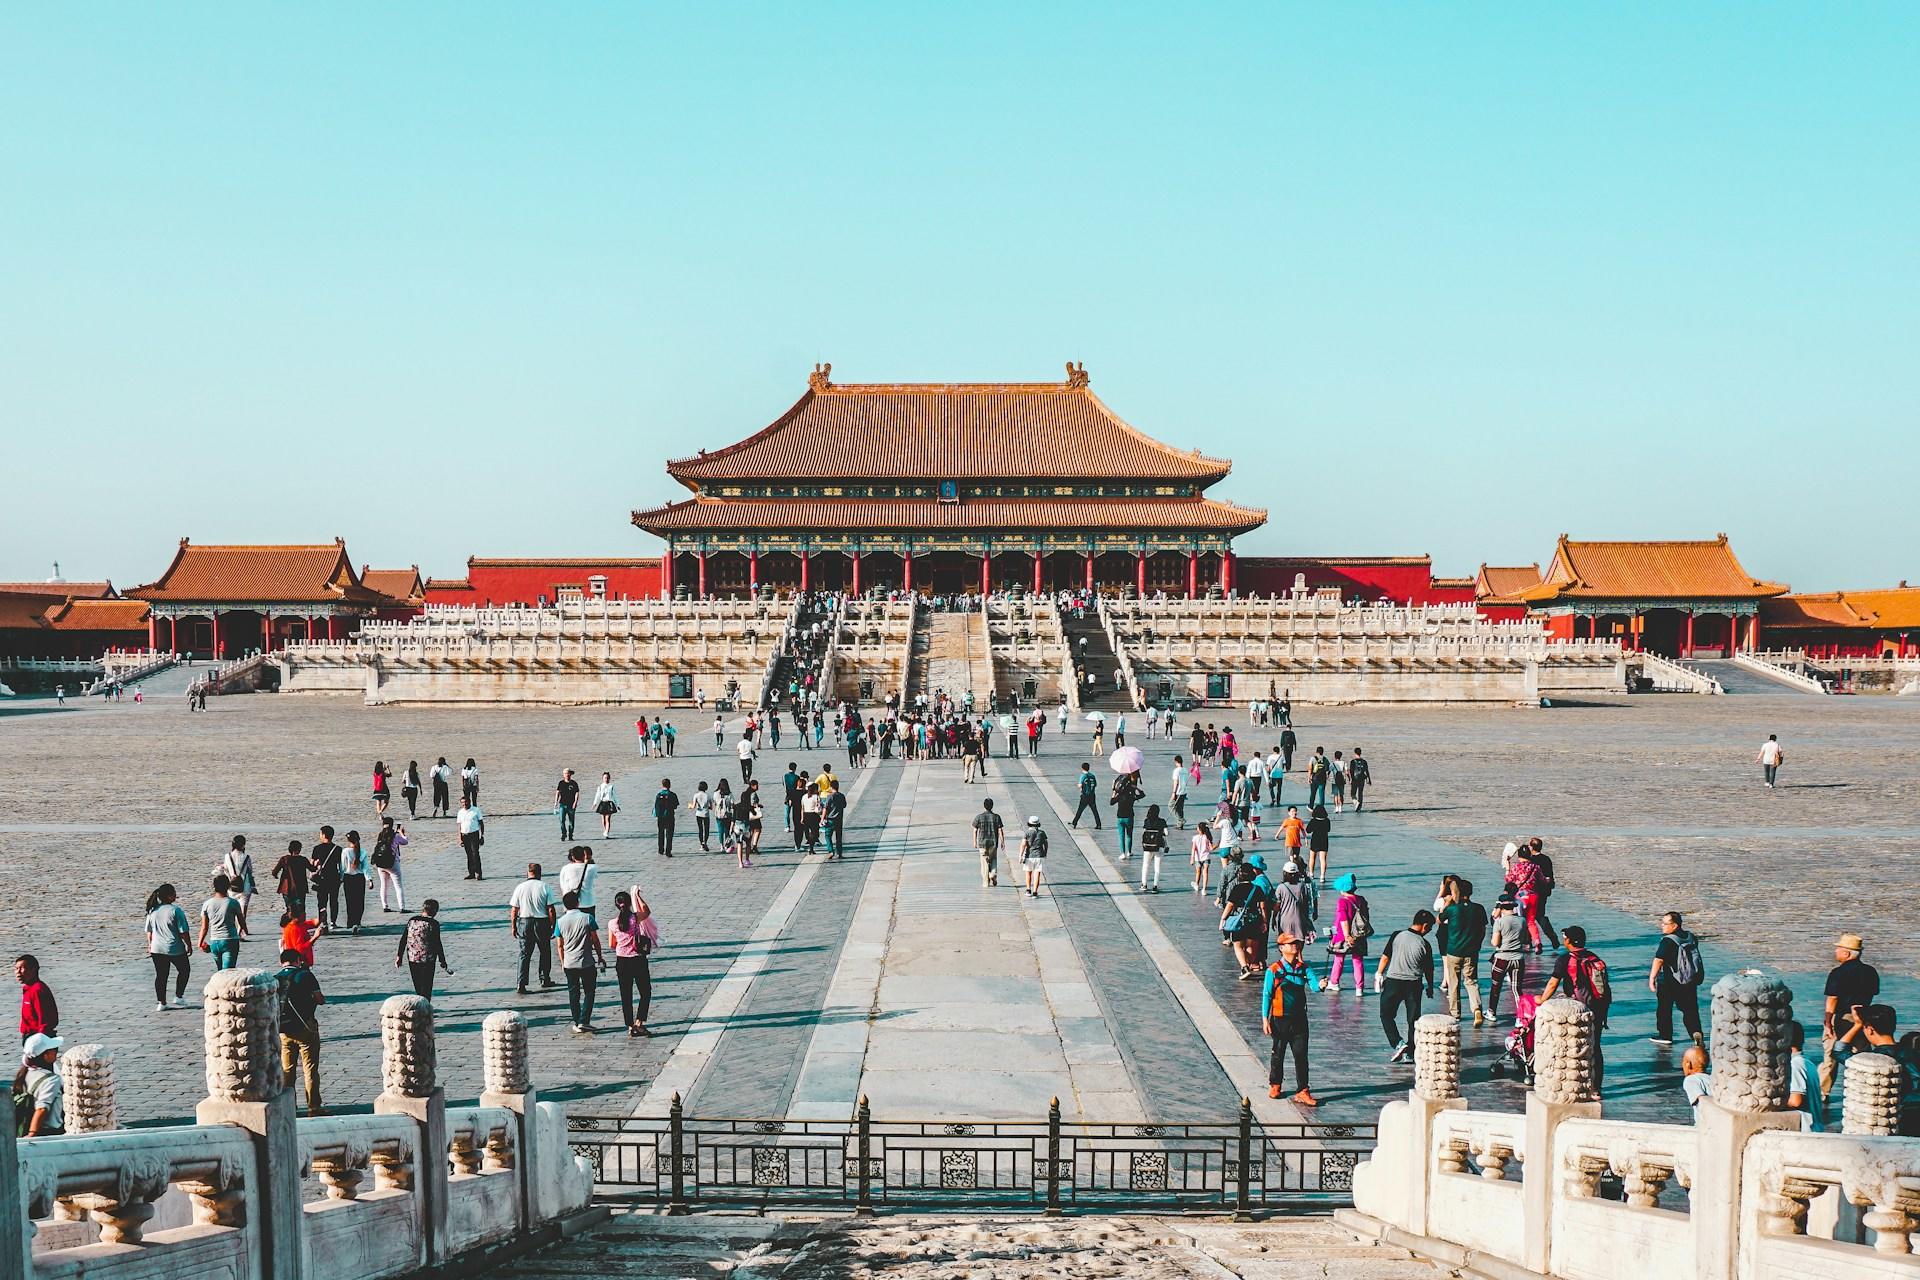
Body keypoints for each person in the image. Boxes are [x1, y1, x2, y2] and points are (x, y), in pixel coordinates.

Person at [1540, 925, 1612, 1094]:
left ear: (1569, 941)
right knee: (1595, 1047)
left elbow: (1552, 983)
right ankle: (1596, 1088)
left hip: (1577, 1011)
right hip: (1598, 1008)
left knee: (1574, 1046)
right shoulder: (1594, 957)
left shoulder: (1565, 959)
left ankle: (1573, 1083)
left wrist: (1542, 999)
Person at [1819, 932, 1880, 1103]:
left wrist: (1828, 1021)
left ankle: (1823, 1092)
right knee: (1861, 1054)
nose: (1836, 952)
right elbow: (1872, 994)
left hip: (1842, 1018)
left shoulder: (1838, 973)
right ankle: (1863, 1089)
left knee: (1831, 1056)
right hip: (1863, 1017)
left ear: (1846, 953)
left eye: (1838, 949)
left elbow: (1832, 998)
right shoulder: (1870, 972)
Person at [1374, 910, 1436, 1062]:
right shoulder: (1425, 944)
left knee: (1386, 1015)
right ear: (1425, 926)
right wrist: (1430, 986)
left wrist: (1379, 974)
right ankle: (1410, 1053)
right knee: (1413, 1020)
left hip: (1393, 982)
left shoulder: (1397, 935)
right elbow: (1429, 969)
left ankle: (1398, 1043)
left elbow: (1385, 957)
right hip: (1414, 985)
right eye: (1430, 928)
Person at [1263, 933, 1318, 1105]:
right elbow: (1267, 995)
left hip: (1299, 1019)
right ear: (1281, 948)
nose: (1294, 946)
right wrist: (1265, 1019)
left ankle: (1303, 1090)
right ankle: (1275, 1084)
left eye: (1296, 943)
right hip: (1279, 1019)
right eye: (1290, 943)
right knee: (1278, 1053)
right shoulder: (1273, 970)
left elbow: (1315, 987)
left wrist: (1322, 985)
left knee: (1301, 1055)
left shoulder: (1304, 968)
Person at [274, 948, 325, 1116]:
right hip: (305, 1027)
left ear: (281, 962)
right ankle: (313, 1107)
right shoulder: (305, 975)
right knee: (310, 1068)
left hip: (284, 1031)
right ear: (298, 960)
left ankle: (290, 1107)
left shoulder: (276, 979)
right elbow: (320, 999)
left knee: (287, 1070)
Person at [1649, 911, 1707, 1047]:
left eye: (1665, 923)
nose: (1662, 926)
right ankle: (1696, 1032)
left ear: (1674, 925)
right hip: (1689, 980)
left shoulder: (1668, 941)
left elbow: (1658, 960)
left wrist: (1652, 978)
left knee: (1664, 1008)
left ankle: (1665, 1035)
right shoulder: (1690, 937)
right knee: (1690, 1010)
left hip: (1671, 980)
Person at [1438, 878, 1488, 1025]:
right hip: (1471, 950)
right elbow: (1483, 929)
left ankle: (1455, 1013)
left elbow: (1439, 920)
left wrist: (1448, 902)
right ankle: (1477, 1008)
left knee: (1454, 983)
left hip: (1454, 950)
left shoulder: (1453, 909)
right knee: (1471, 982)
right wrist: (1477, 944)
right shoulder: (1478, 908)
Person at [607, 889, 654, 1037]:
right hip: (638, 959)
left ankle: (629, 1025)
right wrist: (638, 896)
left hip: (622, 961)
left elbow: (611, 944)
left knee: (625, 995)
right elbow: (647, 911)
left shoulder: (612, 923)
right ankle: (639, 1021)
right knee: (645, 992)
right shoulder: (635, 917)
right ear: (629, 904)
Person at [556, 890, 604, 1034]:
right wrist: (600, 956)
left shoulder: (560, 922)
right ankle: (584, 1020)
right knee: (589, 992)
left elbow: (559, 944)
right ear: (578, 903)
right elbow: (595, 939)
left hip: (569, 963)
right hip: (586, 961)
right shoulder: (587, 918)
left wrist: (562, 961)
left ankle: (577, 1021)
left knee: (573, 993)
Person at [509, 863, 559, 994]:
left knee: (524, 954)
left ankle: (521, 983)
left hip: (525, 922)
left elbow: (514, 910)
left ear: (528, 872)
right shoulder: (545, 887)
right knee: (544, 951)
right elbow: (551, 909)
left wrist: (513, 926)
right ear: (539, 873)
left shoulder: (520, 887)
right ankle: (544, 978)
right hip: (542, 922)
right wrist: (554, 925)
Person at [144, 884, 193, 1010]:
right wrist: (189, 945)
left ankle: (162, 1002)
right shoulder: (175, 911)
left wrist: (150, 945)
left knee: (161, 975)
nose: (176, 895)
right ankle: (178, 996)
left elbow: (149, 932)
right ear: (169, 896)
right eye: (174, 893)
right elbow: (183, 932)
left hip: (157, 948)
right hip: (174, 947)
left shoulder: (152, 911)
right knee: (184, 970)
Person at [1322, 874, 1371, 994]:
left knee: (1339, 959)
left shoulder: (1342, 901)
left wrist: (1347, 935)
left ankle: (1334, 982)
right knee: (1358, 960)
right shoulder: (1361, 900)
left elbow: (1343, 919)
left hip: (1342, 936)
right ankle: (1359, 988)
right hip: (1359, 934)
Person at [396, 900, 453, 999]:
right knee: (426, 986)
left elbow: (404, 939)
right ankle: (425, 1007)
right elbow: (437, 943)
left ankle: (420, 1005)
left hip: (412, 957)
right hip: (428, 959)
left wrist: (399, 956)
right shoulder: (433, 923)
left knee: (418, 985)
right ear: (434, 910)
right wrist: (442, 960)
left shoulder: (412, 920)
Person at [1509, 838, 1556, 954]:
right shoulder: (1546, 859)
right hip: (1541, 894)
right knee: (1540, 916)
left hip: (1525, 894)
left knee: (1525, 919)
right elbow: (1548, 877)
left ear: (1531, 847)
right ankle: (1551, 937)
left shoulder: (1529, 862)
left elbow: (1510, 879)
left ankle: (1528, 942)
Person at [1486, 896, 1527, 1023]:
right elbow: (1525, 940)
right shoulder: (1522, 921)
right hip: (1518, 958)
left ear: (1502, 908)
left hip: (1502, 958)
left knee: (1496, 986)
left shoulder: (1500, 922)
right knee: (1517, 989)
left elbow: (1495, 942)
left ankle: (1491, 1012)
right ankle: (1521, 1017)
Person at [198, 874, 247, 970]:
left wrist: (200, 942)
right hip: (230, 940)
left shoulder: (207, 904)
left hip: (214, 941)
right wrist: (245, 930)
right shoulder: (233, 903)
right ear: (228, 886)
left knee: (220, 971)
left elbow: (204, 927)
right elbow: (241, 921)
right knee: (228, 971)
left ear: (214, 887)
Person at [18, 1034, 64, 1135]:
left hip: (25, 1126)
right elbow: (42, 1108)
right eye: (54, 1049)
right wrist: (32, 1134)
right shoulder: (52, 1079)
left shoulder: (25, 1072)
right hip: (48, 1131)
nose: (56, 1052)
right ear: (45, 1055)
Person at [309, 825, 343, 932]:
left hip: (321, 879)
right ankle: (333, 922)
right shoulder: (338, 849)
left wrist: (315, 863)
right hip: (334, 878)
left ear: (323, 835)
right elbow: (341, 866)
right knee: (334, 900)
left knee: (322, 901)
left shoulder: (317, 849)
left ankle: (323, 922)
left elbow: (312, 865)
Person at [15, 955, 57, 1044]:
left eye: (22, 968)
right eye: (16, 968)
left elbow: (45, 1021)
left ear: (33, 969)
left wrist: (40, 1043)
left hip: (38, 1038)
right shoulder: (28, 988)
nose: (18, 972)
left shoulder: (38, 990)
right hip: (29, 1036)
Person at [1786, 1022, 1819, 1130]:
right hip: (1815, 1126)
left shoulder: (1794, 1065)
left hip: (1804, 1127)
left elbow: (1796, 1101)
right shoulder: (1809, 1063)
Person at [219, 835, 257, 926]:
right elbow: (250, 870)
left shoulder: (227, 856)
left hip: (232, 886)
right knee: (243, 910)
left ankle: (235, 928)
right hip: (245, 886)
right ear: (243, 845)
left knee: (233, 909)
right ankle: (241, 930)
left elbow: (226, 869)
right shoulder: (246, 857)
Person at [372, 818, 408, 913]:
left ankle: (385, 906)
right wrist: (402, 833)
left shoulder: (380, 835)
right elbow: (405, 841)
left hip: (381, 864)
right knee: (398, 886)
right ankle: (402, 907)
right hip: (393, 864)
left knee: (384, 885)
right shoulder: (395, 836)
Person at [339, 830, 370, 931]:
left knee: (350, 901)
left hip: (348, 878)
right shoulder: (363, 852)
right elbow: (366, 868)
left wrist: (340, 878)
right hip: (359, 878)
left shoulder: (345, 851)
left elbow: (342, 867)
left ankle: (350, 922)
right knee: (359, 901)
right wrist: (369, 879)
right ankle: (357, 921)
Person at [272, 840, 309, 923]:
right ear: (299, 849)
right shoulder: (303, 860)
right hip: (300, 888)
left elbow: (274, 872)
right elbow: (312, 869)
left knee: (289, 908)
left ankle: (290, 927)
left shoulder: (284, 859)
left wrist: (276, 876)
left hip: (286, 888)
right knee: (301, 908)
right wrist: (316, 864)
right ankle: (301, 926)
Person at [1112, 771, 1143, 859]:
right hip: (1129, 816)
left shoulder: (1119, 796)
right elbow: (1142, 795)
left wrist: (1114, 792)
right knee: (1129, 835)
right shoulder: (1131, 796)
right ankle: (1129, 852)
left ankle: (1122, 853)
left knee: (1121, 836)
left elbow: (1111, 802)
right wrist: (1136, 788)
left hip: (1120, 817)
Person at [1138, 803, 1168, 892]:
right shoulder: (1162, 821)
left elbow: (1144, 831)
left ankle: (1144, 884)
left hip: (1147, 846)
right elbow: (1166, 833)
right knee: (1157, 867)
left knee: (1145, 866)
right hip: (1159, 846)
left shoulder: (1146, 821)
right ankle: (1155, 886)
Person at [456, 796, 486, 880]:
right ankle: (471, 873)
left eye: (466, 802)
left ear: (469, 802)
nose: (464, 804)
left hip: (474, 834)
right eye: (462, 803)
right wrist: (459, 837)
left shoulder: (476, 810)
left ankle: (478, 873)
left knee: (475, 853)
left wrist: (482, 836)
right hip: (465, 835)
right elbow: (459, 825)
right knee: (469, 854)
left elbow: (481, 823)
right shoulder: (460, 812)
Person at [1019, 816, 1049, 897]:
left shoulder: (1027, 833)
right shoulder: (1042, 833)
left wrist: (1020, 855)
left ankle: (1028, 890)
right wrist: (1045, 852)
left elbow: (1023, 845)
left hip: (1029, 856)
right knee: (1037, 874)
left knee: (1028, 873)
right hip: (1039, 856)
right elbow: (1046, 843)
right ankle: (1035, 892)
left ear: (1029, 823)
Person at [1681, 1045, 1712, 1117]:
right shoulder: (1711, 1078)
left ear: (1688, 1064)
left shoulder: (1691, 1080)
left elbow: (1702, 1101)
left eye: (1683, 1061)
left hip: (1706, 1124)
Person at [1305, 804, 1331, 885]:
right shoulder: (1327, 820)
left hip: (1315, 840)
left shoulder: (1313, 821)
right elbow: (1328, 829)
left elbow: (1308, 830)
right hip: (1324, 840)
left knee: (1312, 857)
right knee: (1323, 859)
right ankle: (1322, 876)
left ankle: (1311, 874)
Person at [653, 778, 680, 856]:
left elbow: (656, 806)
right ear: (670, 785)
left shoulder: (659, 795)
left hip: (660, 817)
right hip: (670, 816)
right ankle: (668, 851)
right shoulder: (672, 795)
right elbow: (675, 806)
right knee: (669, 834)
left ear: (662, 785)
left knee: (660, 832)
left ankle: (660, 849)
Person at [822, 780, 847, 860]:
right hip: (839, 819)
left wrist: (822, 818)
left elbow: (825, 808)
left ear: (831, 787)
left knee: (828, 835)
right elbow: (844, 805)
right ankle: (839, 853)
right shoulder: (842, 795)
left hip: (830, 819)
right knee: (838, 837)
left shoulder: (830, 796)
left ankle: (831, 851)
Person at [1071, 763, 1101, 828]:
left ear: (1082, 768)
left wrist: (1079, 786)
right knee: (1094, 810)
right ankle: (1098, 824)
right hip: (1092, 795)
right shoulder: (1092, 775)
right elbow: (1095, 785)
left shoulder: (1083, 776)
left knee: (1080, 810)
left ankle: (1074, 823)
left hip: (1085, 796)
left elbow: (1080, 785)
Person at [1189, 821, 1214, 895]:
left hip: (1198, 858)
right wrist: (1218, 845)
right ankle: (1204, 889)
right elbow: (1211, 848)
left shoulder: (1195, 838)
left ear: (1199, 829)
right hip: (1206, 857)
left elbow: (1193, 849)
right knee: (1205, 872)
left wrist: (1192, 858)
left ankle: (1196, 885)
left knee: (1198, 872)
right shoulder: (1207, 837)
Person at [556, 768, 581, 841]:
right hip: (562, 804)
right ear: (563, 775)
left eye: (568, 773)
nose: (567, 775)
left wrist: (575, 802)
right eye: (565, 773)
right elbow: (558, 792)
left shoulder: (574, 783)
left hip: (571, 805)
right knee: (561, 820)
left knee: (571, 821)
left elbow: (577, 792)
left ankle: (570, 834)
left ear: (570, 774)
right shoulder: (561, 783)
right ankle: (564, 833)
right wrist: (556, 802)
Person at [593, 772, 619, 838]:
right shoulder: (600, 786)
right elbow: (597, 795)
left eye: (607, 778)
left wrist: (617, 805)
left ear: (609, 778)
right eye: (605, 778)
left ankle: (607, 831)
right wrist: (595, 803)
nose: (606, 779)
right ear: (602, 778)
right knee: (603, 819)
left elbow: (615, 796)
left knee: (607, 818)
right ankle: (605, 830)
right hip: (602, 803)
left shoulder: (611, 786)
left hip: (609, 803)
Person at [1169, 755, 1190, 829]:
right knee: (1180, 808)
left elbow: (1176, 782)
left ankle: (1180, 820)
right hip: (1184, 791)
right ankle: (1180, 825)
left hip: (1178, 791)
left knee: (1171, 805)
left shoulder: (1176, 770)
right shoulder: (1185, 770)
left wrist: (1173, 792)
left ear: (1176, 762)